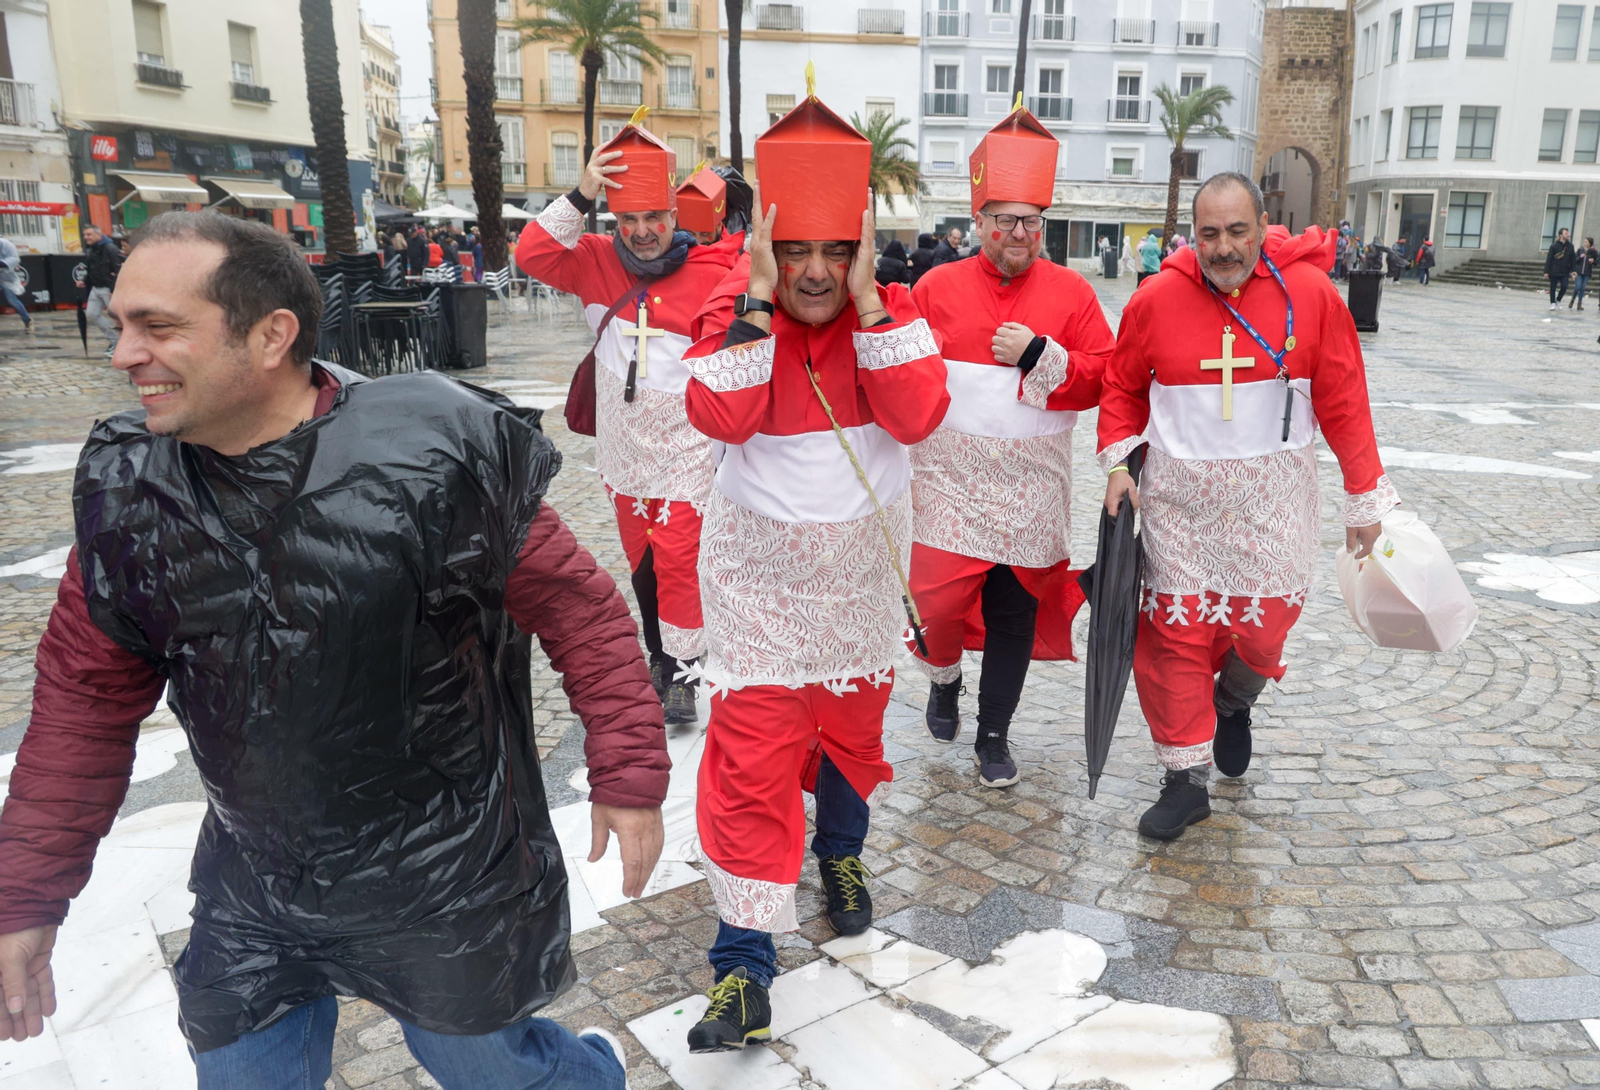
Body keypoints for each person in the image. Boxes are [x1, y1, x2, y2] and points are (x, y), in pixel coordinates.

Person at [0, 212, 667, 1088]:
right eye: (122, 323)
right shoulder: (132, 493)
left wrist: (628, 769)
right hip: (259, 879)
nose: (125, 353)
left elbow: (579, 610)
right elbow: (83, 706)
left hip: (443, 865)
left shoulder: (435, 450)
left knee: (494, 1069)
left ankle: (590, 1073)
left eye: (158, 327)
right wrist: (26, 898)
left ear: (271, 334)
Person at [678, 90, 948, 1053]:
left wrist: (873, 302)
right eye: (797, 250)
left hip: (859, 588)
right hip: (758, 590)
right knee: (749, 767)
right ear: (766, 246)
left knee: (846, 742)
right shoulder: (735, 308)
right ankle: (743, 968)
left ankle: (840, 854)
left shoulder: (892, 311)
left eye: (839, 249)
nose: (819, 271)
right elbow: (718, 417)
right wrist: (755, 300)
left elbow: (918, 416)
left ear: (863, 246)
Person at [1098, 173, 1396, 842]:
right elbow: (1121, 386)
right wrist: (1118, 464)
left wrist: (1363, 496)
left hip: (1274, 504)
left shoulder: (1310, 295)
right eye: (1209, 234)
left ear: (1263, 226)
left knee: (1262, 632)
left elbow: (1344, 398)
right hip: (1179, 509)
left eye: (1237, 230)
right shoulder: (1154, 299)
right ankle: (1184, 780)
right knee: (1175, 635)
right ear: (1192, 236)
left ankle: (1233, 700)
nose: (1223, 248)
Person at [908, 105, 1114, 789]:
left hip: (1033, 486)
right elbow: (900, 370)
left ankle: (993, 734)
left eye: (1031, 220)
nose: (1019, 233)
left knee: (1012, 611)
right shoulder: (935, 288)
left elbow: (1105, 376)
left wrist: (1040, 355)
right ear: (980, 222)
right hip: (950, 481)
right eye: (1005, 219)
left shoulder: (1072, 293)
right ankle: (943, 677)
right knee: (934, 604)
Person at [516, 133, 742, 724]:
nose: (643, 231)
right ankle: (661, 659)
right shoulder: (593, 259)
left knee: (680, 558)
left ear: (675, 213)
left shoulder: (713, 267)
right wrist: (582, 192)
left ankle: (684, 674)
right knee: (642, 563)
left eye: (655, 217)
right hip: (624, 451)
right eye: (629, 219)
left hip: (687, 448)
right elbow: (531, 254)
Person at [78, 223, 124, 355]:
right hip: (96, 288)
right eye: (84, 235)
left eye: (89, 234)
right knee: (92, 314)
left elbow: (118, 269)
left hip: (108, 289)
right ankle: (115, 340)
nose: (86, 237)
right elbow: (91, 269)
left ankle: (123, 344)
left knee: (118, 318)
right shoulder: (91, 250)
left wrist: (113, 289)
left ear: (98, 234)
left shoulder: (110, 248)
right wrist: (84, 280)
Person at [0, 234, 31, 334]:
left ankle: (27, 320)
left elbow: (14, 259)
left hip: (7, 278)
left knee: (12, 300)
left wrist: (3, 263)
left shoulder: (6, 244)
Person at [1546, 227, 1576, 310]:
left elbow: (1573, 259)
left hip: (1565, 270)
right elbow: (1549, 259)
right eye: (1566, 233)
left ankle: (1558, 300)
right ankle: (1552, 303)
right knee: (1553, 287)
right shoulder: (1554, 246)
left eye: (1568, 233)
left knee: (1564, 286)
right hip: (1554, 270)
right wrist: (1546, 271)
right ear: (1561, 235)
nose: (1568, 234)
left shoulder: (1570, 246)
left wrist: (1574, 270)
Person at [1571, 236, 1597, 311]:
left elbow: (1597, 261)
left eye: (1586, 242)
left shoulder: (1593, 252)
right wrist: (1580, 257)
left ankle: (1579, 303)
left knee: (1582, 288)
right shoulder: (1580, 250)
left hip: (1587, 272)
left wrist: (1593, 261)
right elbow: (1575, 260)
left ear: (1590, 244)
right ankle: (1572, 299)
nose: (1585, 243)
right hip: (1578, 272)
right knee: (1578, 287)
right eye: (1584, 241)